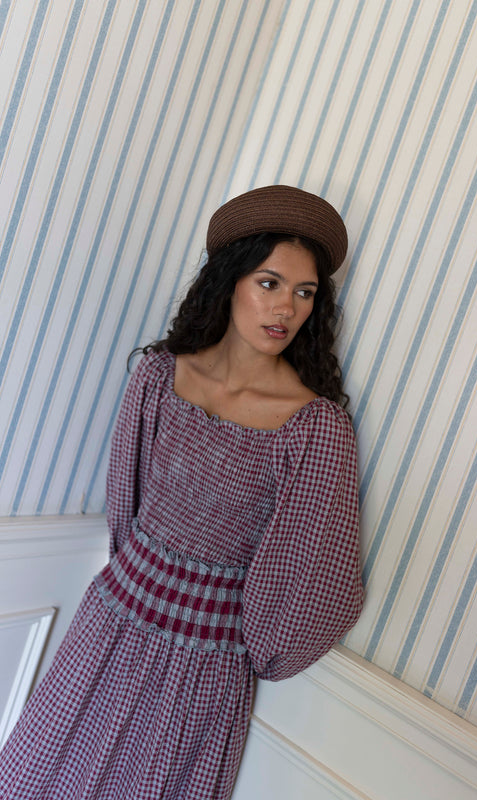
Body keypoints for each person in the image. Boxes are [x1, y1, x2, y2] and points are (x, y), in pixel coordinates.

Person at [0, 185, 363, 799]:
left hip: (203, 665)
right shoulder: (159, 376)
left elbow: (314, 574)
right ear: (229, 281)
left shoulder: (313, 429)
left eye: (305, 293)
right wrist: (140, 578)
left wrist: (253, 644)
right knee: (38, 776)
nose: (286, 308)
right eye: (269, 283)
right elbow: (127, 506)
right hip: (107, 619)